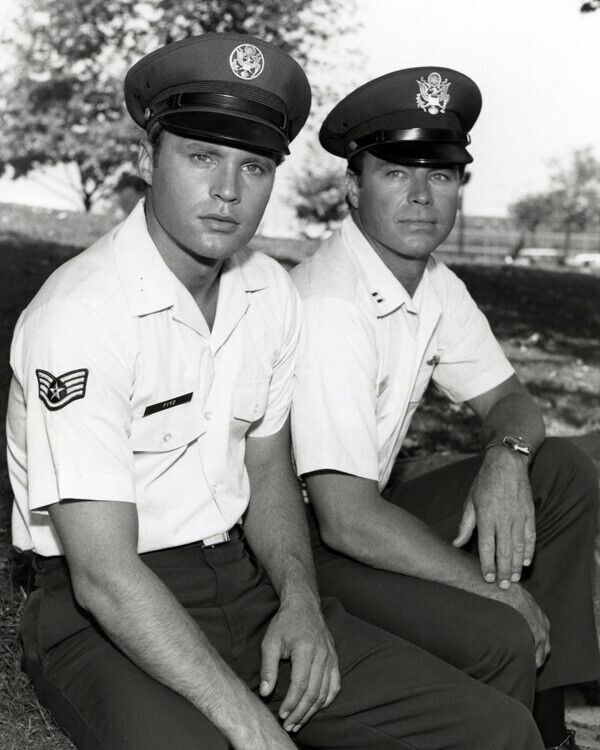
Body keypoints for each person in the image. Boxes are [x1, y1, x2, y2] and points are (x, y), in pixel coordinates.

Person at [6, 38, 544, 750]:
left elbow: (266, 472)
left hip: (244, 580)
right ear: (147, 159)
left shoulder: (266, 293)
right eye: (202, 157)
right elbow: (103, 574)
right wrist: (249, 722)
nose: (228, 190)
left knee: (495, 730)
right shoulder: (80, 316)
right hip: (103, 610)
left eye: (254, 166)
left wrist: (300, 600)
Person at [290, 67, 600, 750]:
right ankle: (513, 716)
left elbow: (511, 401)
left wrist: (506, 458)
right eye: (396, 172)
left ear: (460, 186)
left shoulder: (432, 282)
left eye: (440, 174)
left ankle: (551, 722)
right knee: (500, 626)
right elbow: (344, 520)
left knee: (560, 471)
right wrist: (498, 591)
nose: (421, 196)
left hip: (362, 511)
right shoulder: (330, 303)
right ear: (353, 187)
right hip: (299, 544)